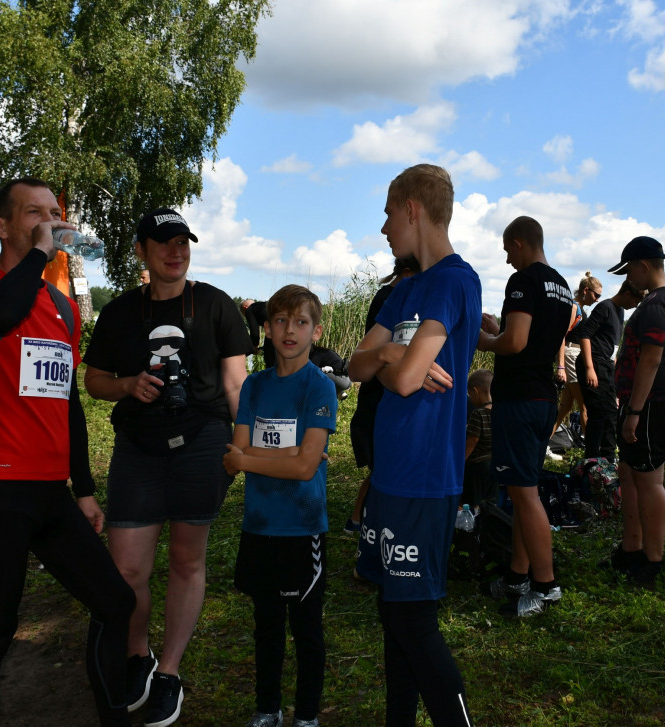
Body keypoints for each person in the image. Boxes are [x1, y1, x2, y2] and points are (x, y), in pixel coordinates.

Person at [0, 178, 135, 726]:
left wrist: (85, 488)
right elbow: (0, 317)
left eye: (55, 212)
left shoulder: (62, 307)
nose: (50, 221)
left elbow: (67, 399)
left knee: (115, 602)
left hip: (51, 493)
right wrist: (41, 255)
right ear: (0, 226)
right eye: (34, 213)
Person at [83, 208, 252, 727]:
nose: (175, 252)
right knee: (128, 568)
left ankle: (169, 671)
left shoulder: (217, 305)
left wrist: (244, 450)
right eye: (163, 243)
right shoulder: (119, 313)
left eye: (183, 242)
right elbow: (94, 380)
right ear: (142, 251)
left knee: (186, 562)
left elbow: (236, 385)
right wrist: (129, 384)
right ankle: (138, 655)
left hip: (202, 444)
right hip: (138, 448)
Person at [349, 164, 479, 726]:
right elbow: (359, 364)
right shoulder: (405, 289)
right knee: (392, 613)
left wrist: (393, 365)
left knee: (413, 621)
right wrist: (388, 357)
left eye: (386, 214)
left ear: (411, 210)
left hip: (426, 476)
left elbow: (403, 382)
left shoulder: (454, 281)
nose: (382, 229)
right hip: (390, 475)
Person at [223, 284, 338, 727]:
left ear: (316, 330)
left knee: (307, 629)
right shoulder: (253, 386)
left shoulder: (319, 388)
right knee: (266, 626)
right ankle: (267, 708)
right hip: (260, 525)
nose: (291, 330)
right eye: (282, 321)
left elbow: (306, 467)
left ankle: (307, 715)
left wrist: (258, 459)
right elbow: (235, 457)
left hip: (301, 529)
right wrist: (290, 456)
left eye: (301, 322)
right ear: (267, 329)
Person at [478, 216, 574, 617]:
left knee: (524, 494)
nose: (506, 262)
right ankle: (518, 575)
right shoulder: (562, 286)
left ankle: (545, 585)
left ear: (518, 243)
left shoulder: (522, 281)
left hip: (518, 400)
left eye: (506, 252)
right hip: (543, 399)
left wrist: (482, 339)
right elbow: (532, 340)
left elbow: (515, 343)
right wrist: (500, 329)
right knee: (525, 488)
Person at [605, 236, 665, 588]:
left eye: (629, 270)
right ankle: (631, 548)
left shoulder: (655, 304)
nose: (628, 279)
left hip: (651, 404)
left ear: (644, 266)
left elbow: (651, 360)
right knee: (630, 472)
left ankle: (653, 560)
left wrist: (634, 410)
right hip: (645, 403)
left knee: (649, 480)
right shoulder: (662, 300)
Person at [344, 256, 419, 533]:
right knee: (382, 467)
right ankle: (357, 520)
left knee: (384, 465)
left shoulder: (393, 295)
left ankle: (361, 519)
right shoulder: (390, 298)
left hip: (382, 388)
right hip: (379, 392)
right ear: (408, 272)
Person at [576, 281, 645, 460]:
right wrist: (589, 368)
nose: (635, 306)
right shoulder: (604, 307)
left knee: (611, 413)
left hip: (607, 365)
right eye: (636, 301)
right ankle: (592, 459)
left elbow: (613, 343)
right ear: (628, 293)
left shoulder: (620, 311)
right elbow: (584, 334)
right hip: (594, 363)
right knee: (598, 412)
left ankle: (608, 457)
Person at [552, 272, 603, 448]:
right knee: (585, 406)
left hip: (575, 355)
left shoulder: (580, 308)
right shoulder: (574, 307)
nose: (597, 300)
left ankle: (543, 445)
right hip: (571, 355)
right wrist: (561, 366)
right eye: (596, 295)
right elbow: (560, 335)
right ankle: (593, 453)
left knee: (565, 408)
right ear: (585, 290)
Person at [463, 368, 494, 509]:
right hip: (494, 464)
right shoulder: (500, 411)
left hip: (477, 467)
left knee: (474, 503)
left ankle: (473, 528)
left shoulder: (478, 414)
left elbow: (473, 440)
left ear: (475, 391)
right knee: (490, 503)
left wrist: (461, 461)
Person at [242, 299, 275, 369]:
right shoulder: (261, 307)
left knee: (269, 359)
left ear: (245, 308)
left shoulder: (249, 310)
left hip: (273, 328)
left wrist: (254, 346)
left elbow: (254, 333)